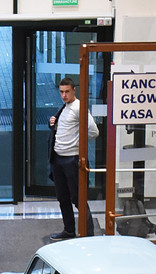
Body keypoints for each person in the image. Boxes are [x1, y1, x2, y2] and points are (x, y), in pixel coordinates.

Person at [47, 76, 98, 241]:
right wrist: (54, 124)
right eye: (61, 92)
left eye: (67, 92)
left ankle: (88, 234)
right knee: (63, 197)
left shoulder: (78, 107)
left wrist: (78, 144)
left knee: (78, 199)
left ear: (74, 90)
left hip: (72, 160)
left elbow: (93, 131)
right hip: (59, 159)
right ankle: (69, 230)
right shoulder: (65, 107)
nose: (64, 95)